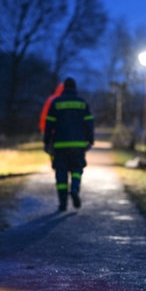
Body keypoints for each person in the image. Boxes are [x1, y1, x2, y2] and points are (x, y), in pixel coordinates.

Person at [43, 77, 94, 211]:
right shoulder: (82, 103)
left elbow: (49, 124)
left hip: (60, 145)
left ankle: (63, 203)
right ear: (75, 88)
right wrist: (90, 140)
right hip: (78, 145)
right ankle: (75, 189)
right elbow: (89, 123)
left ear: (64, 88)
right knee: (77, 169)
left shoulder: (56, 103)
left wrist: (46, 142)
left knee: (61, 172)